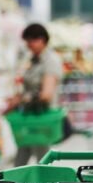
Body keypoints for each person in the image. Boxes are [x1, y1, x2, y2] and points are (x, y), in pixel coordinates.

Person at [10, 23, 63, 166]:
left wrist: (22, 99)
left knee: (41, 155)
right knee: (24, 149)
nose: (28, 45)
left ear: (41, 40)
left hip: (42, 117)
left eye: (30, 41)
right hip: (31, 115)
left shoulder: (50, 61)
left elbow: (46, 94)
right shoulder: (34, 59)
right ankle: (16, 181)